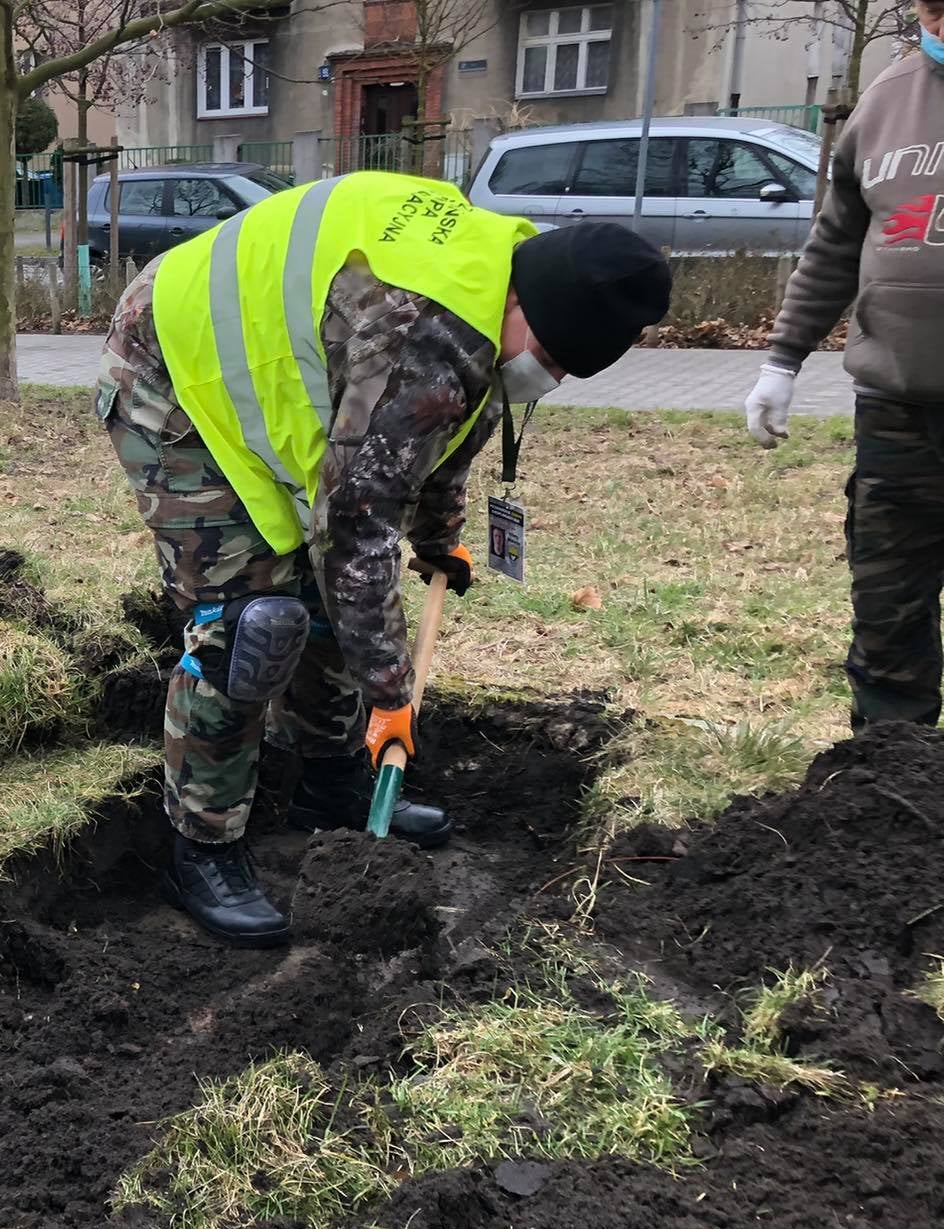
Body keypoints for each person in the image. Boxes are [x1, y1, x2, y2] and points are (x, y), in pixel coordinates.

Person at [98, 171, 670, 945]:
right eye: (551, 357)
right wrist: (392, 693)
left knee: (333, 611)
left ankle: (331, 787)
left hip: (269, 381)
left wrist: (439, 536)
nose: (549, 377)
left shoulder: (501, 275)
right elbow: (358, 530)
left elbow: (443, 429)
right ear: (522, 307)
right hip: (172, 367)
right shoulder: (426, 330)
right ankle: (200, 848)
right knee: (251, 622)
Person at [746, 5, 944, 729]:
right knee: (889, 607)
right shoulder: (887, 100)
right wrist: (783, 360)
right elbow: (834, 245)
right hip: (897, 410)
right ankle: (894, 776)